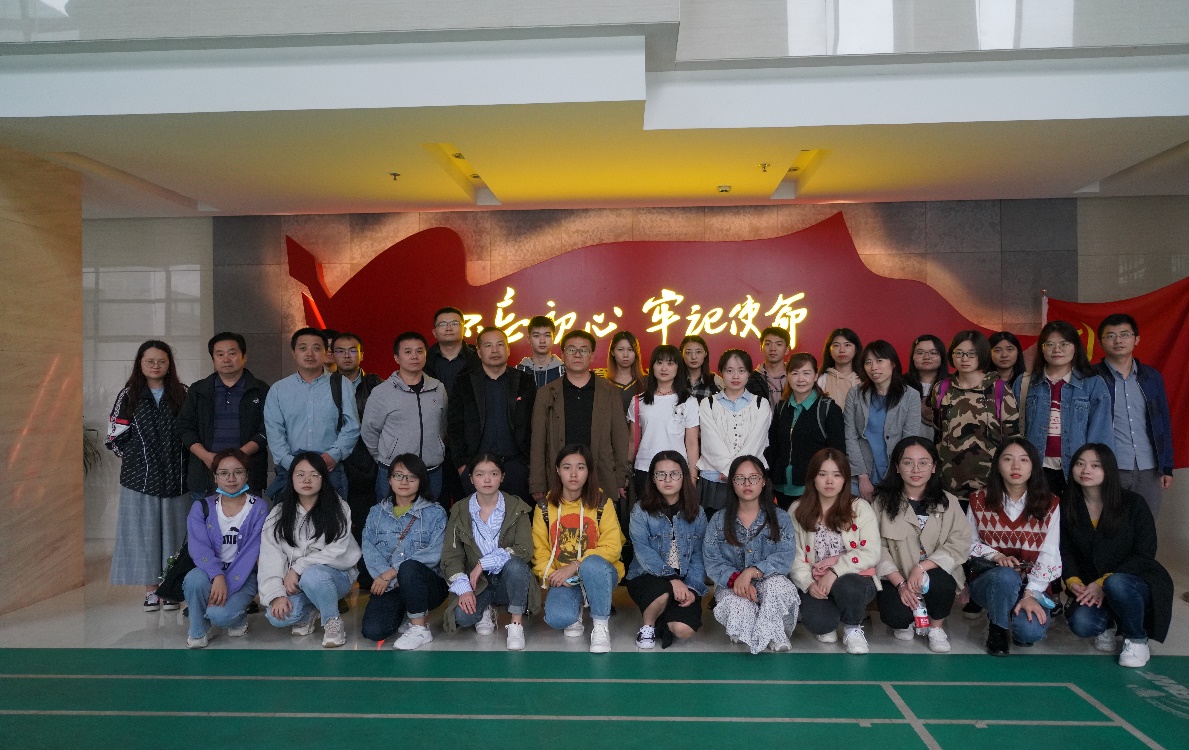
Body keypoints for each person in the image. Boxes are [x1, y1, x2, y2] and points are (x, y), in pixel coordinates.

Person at [1061, 444, 1173, 668]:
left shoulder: (1134, 503)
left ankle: (1136, 639)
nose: (1086, 470)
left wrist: (1102, 583)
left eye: (1095, 465)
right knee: (1081, 623)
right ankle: (1108, 624)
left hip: (1135, 581)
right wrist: (1073, 582)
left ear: (1109, 469)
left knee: (1116, 583)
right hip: (1092, 585)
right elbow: (1064, 549)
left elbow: (1145, 553)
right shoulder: (1066, 505)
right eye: (1080, 464)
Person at [106, 339, 190, 611]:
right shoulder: (128, 395)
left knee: (176, 535)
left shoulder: (183, 393)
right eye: (150, 361)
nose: (155, 366)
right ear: (140, 364)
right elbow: (114, 438)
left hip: (178, 480)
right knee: (145, 536)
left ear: (169, 365)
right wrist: (137, 460)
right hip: (139, 481)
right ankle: (151, 591)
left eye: (161, 361)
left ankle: (171, 589)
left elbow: (192, 432)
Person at [872, 437, 971, 653]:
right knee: (896, 616)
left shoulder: (949, 502)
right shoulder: (881, 502)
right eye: (908, 463)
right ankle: (909, 618)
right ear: (897, 467)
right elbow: (875, 546)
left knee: (943, 583)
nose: (916, 469)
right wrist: (901, 584)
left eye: (923, 463)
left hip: (935, 573)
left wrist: (922, 567)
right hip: (896, 575)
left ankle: (936, 627)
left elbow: (960, 542)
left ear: (934, 467)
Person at [966, 437, 1062, 656]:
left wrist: (1030, 594)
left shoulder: (1050, 504)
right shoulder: (978, 500)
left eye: (1024, 460)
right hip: (989, 583)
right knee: (1005, 576)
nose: (1016, 467)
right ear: (998, 465)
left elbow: (1050, 554)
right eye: (1008, 459)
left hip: (1031, 584)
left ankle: (1012, 613)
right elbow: (968, 544)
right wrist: (995, 556)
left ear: (1033, 466)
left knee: (1028, 633)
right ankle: (998, 628)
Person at [259, 452, 361, 648]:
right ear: (291, 478)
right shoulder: (279, 513)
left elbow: (337, 550)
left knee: (312, 576)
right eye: (300, 474)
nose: (307, 480)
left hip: (336, 577)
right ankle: (311, 609)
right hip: (296, 582)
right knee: (278, 616)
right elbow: (269, 557)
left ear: (323, 478)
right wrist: (277, 594)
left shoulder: (338, 508)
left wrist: (297, 569)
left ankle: (332, 622)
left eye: (314, 475)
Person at [441, 453, 538, 651]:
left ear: (502, 477)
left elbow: (524, 549)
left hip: (509, 580)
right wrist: (464, 589)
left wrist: (483, 564)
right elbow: (451, 556)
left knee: (516, 566)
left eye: (493, 474)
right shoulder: (460, 510)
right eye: (480, 474)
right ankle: (486, 608)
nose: (487, 480)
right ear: (471, 479)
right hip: (477, 583)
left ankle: (516, 624)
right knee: (463, 617)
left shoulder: (517, 507)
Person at [532, 444, 625, 653]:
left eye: (580, 467)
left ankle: (600, 626)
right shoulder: (544, 507)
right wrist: (552, 575)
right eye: (567, 467)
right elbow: (540, 551)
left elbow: (612, 546)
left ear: (589, 471)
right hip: (565, 579)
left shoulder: (602, 502)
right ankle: (576, 608)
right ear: (558, 470)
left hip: (599, 574)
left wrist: (575, 566)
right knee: (557, 618)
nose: (573, 474)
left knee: (592, 565)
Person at [703, 455, 798, 654]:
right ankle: (768, 631)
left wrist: (753, 572)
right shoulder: (719, 520)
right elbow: (712, 561)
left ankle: (772, 633)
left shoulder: (780, 517)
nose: (747, 484)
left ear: (763, 482)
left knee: (779, 588)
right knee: (739, 608)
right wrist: (737, 579)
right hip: (734, 586)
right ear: (732, 483)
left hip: (769, 582)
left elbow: (785, 556)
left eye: (753, 478)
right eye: (740, 478)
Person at [790, 449, 880, 654]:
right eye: (822, 474)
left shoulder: (860, 508)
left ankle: (852, 628)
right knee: (821, 625)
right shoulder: (797, 510)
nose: (829, 481)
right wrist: (809, 583)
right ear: (813, 478)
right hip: (815, 581)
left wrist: (834, 572)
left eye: (836, 475)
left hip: (854, 581)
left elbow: (871, 552)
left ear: (845, 479)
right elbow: (794, 555)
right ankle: (831, 616)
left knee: (848, 586)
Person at [529, 330, 631, 507]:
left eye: (584, 350)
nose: (577, 354)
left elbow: (620, 439)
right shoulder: (546, 393)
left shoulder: (609, 392)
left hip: (601, 478)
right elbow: (538, 441)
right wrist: (537, 482)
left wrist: (620, 479)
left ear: (591, 355)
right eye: (571, 350)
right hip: (558, 482)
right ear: (562, 355)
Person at [182, 449, 270, 648]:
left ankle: (237, 619)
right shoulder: (202, 507)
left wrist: (226, 581)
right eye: (224, 473)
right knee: (194, 580)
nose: (231, 478)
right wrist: (217, 576)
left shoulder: (259, 507)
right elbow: (199, 548)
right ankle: (198, 630)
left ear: (247, 475)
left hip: (245, 574)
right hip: (211, 572)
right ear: (215, 477)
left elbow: (253, 550)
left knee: (220, 616)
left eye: (238, 472)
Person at [1016, 320, 1113, 499]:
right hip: (1035, 467)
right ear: (1042, 349)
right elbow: (1014, 429)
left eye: (1064, 344)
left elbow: (1101, 433)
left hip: (1078, 469)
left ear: (1075, 347)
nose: (1057, 349)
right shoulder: (1025, 383)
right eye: (1049, 344)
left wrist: (1096, 469)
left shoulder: (1093, 383)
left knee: (1073, 514)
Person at [360, 455, 449, 650]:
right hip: (390, 586)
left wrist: (393, 573)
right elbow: (369, 549)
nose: (404, 482)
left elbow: (434, 553)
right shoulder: (376, 513)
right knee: (373, 631)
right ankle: (405, 613)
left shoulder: (435, 513)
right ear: (389, 479)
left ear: (421, 481)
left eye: (411, 477)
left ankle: (419, 629)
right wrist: (389, 579)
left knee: (408, 568)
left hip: (427, 585)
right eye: (398, 475)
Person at [263, 327, 359, 500]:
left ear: (326, 352)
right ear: (294, 352)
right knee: (289, 517)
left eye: (316, 348)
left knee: (332, 516)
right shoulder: (279, 389)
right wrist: (291, 463)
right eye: (303, 348)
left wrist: (333, 455)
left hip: (329, 469)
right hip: (290, 470)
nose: (310, 353)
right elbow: (274, 431)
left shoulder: (342, 384)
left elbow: (351, 426)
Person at [1095, 313, 1175, 519]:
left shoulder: (1152, 376)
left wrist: (1166, 466)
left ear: (1136, 339)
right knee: (1109, 526)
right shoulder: (1091, 377)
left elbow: (1163, 422)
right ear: (1100, 342)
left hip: (1149, 467)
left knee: (1145, 526)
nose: (1118, 340)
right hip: (1109, 466)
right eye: (1110, 336)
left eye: (1124, 334)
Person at [626, 451, 708, 649]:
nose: (668, 479)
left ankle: (664, 617)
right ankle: (648, 626)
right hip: (646, 576)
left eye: (674, 474)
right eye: (661, 474)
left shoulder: (697, 512)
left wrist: (692, 588)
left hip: (684, 578)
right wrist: (671, 578)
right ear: (653, 479)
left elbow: (699, 555)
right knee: (663, 592)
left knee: (682, 629)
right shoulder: (640, 511)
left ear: (684, 477)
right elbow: (643, 552)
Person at [176, 331, 269, 501]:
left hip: (248, 476)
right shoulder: (198, 390)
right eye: (220, 355)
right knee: (205, 518)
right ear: (213, 359)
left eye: (232, 353)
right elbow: (184, 427)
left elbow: (267, 429)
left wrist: (238, 457)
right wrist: (206, 456)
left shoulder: (261, 390)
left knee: (249, 518)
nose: (226, 359)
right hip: (205, 476)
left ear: (244, 357)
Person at [448, 327, 536, 501]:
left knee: (518, 516)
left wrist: (529, 465)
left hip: (516, 467)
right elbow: (454, 426)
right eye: (488, 346)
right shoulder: (464, 383)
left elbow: (534, 424)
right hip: (477, 468)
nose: (495, 350)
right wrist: (462, 466)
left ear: (508, 349)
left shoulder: (524, 381)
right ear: (479, 352)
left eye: (500, 345)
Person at [361, 332, 448, 504]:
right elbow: (369, 431)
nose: (414, 356)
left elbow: (442, 425)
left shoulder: (438, 388)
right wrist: (385, 457)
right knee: (391, 517)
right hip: (395, 472)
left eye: (419, 351)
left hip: (431, 471)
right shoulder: (382, 392)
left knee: (430, 517)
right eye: (408, 352)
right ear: (396, 358)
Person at [934, 331, 1019, 504]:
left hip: (991, 482)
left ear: (982, 354)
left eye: (971, 353)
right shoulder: (941, 389)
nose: (965, 359)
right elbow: (938, 432)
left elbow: (1012, 438)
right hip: (949, 482)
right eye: (959, 353)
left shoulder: (999, 388)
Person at [329, 331, 384, 587]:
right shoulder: (325, 385)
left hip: (367, 460)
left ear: (362, 354)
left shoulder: (376, 385)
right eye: (340, 351)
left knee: (364, 520)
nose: (347, 356)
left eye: (353, 350)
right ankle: (337, 578)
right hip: (334, 460)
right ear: (332, 355)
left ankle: (366, 575)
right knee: (335, 521)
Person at [844, 340, 923, 501]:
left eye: (879, 361)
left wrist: (894, 477)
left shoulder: (911, 396)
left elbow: (909, 439)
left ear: (893, 363)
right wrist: (862, 476)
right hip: (861, 473)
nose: (874, 367)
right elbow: (850, 436)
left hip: (897, 473)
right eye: (868, 362)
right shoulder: (855, 394)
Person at [697, 349, 773, 515]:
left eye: (741, 370)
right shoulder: (708, 404)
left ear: (749, 373)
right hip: (715, 479)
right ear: (721, 373)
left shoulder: (760, 404)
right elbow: (711, 442)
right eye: (729, 371)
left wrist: (734, 473)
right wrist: (731, 472)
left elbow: (756, 442)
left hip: (751, 480)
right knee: (714, 525)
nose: (735, 376)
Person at [767, 352, 845, 509]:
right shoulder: (782, 407)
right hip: (781, 487)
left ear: (816, 376)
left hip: (813, 488)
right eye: (795, 373)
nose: (800, 379)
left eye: (806, 373)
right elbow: (773, 446)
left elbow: (837, 453)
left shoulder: (828, 408)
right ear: (788, 376)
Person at [627, 344, 700, 500]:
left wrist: (693, 477)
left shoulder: (689, 402)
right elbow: (632, 441)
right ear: (652, 366)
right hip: (645, 469)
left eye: (670, 363)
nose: (664, 368)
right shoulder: (638, 401)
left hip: (676, 471)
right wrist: (625, 473)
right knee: (645, 512)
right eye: (659, 362)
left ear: (678, 368)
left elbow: (692, 442)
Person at [424, 306, 480, 396]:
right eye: (442, 324)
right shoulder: (424, 361)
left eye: (454, 323)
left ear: (464, 330)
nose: (448, 328)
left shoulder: (478, 359)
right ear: (434, 332)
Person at [905, 334, 948, 441]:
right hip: (910, 444)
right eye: (920, 353)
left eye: (933, 353)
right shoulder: (900, 384)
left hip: (946, 446)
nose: (926, 357)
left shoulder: (953, 384)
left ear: (942, 357)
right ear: (912, 357)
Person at [816, 328, 862, 408]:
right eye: (836, 345)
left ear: (856, 349)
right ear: (829, 350)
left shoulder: (864, 379)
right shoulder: (820, 380)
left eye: (847, 345)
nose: (842, 350)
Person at [516, 315, 566, 388]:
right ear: (529, 339)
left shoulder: (565, 372)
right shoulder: (517, 372)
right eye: (536, 336)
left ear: (554, 338)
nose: (542, 341)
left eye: (547, 335)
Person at [603, 330, 645, 413]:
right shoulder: (604, 384)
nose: (625, 355)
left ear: (636, 353)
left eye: (630, 350)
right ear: (612, 352)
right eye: (620, 349)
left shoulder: (646, 382)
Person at [747, 326, 790, 407]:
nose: (773, 348)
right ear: (761, 348)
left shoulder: (794, 376)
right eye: (768, 344)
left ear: (787, 350)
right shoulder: (750, 379)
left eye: (778, 344)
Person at [680, 334, 719, 402]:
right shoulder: (675, 380)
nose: (693, 357)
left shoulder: (715, 381)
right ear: (681, 354)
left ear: (705, 353)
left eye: (698, 352)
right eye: (688, 352)